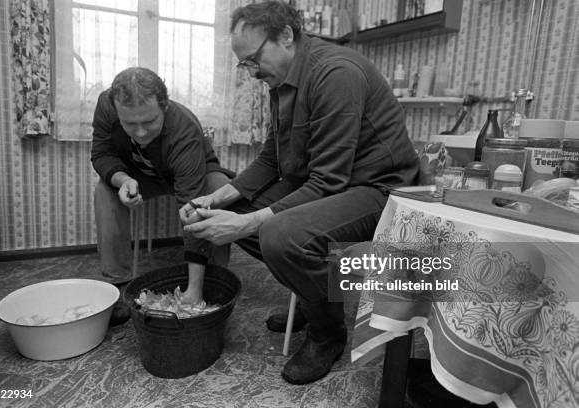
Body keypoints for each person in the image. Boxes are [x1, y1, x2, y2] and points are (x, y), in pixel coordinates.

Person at [180, 1, 419, 385]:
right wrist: (216, 199)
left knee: (280, 234)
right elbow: (272, 161)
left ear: (287, 36)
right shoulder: (282, 81)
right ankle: (314, 294)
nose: (251, 72)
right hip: (334, 182)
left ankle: (328, 333)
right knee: (224, 202)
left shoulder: (335, 73)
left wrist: (245, 224)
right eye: (245, 65)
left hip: (379, 189)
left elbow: (328, 182)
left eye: (254, 59)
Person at [91, 67, 234, 321]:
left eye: (149, 122)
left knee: (218, 187)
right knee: (104, 190)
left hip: (194, 173)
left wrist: (194, 291)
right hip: (140, 174)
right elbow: (102, 154)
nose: (141, 132)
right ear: (116, 111)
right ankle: (118, 285)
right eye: (129, 124)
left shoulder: (184, 128)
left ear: (164, 107)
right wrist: (123, 179)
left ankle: (214, 278)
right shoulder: (106, 105)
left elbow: (192, 207)